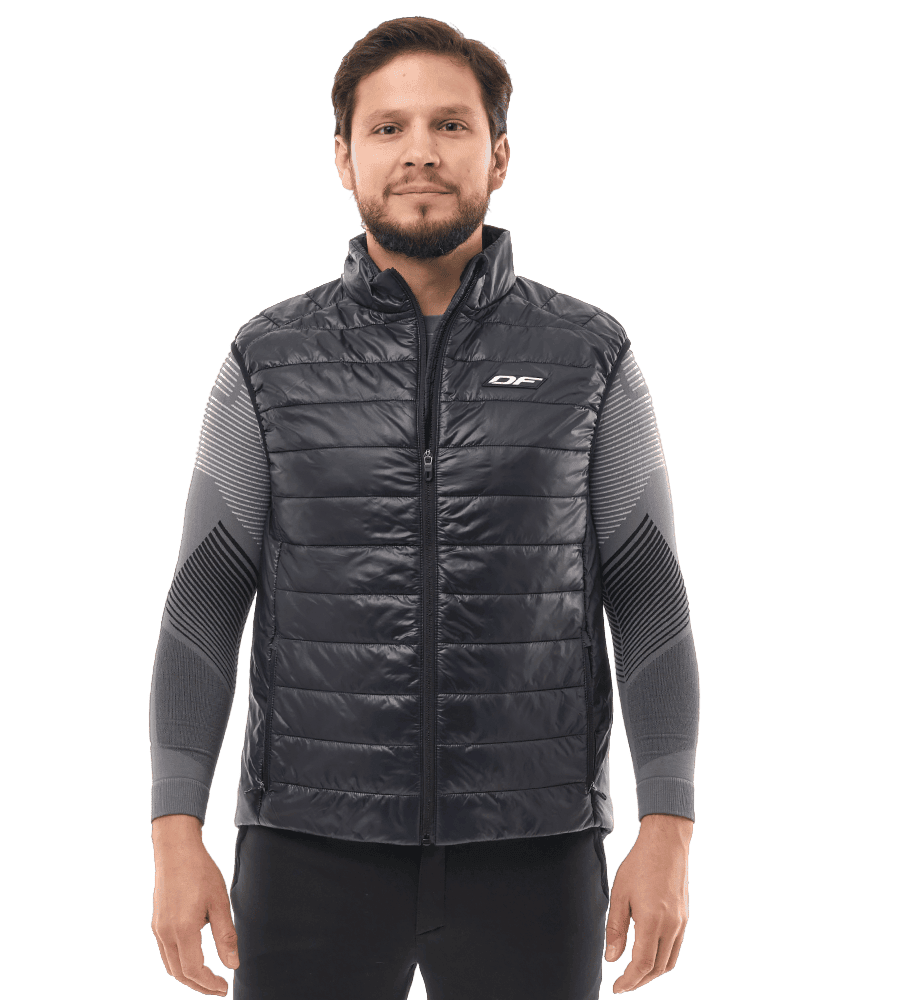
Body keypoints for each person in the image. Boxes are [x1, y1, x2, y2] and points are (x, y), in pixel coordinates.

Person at [149, 16, 700, 1000]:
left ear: (498, 154)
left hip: (534, 854)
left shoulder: (591, 356)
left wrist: (668, 828)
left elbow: (652, 604)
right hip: (307, 848)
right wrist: (173, 834)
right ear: (343, 158)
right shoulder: (266, 360)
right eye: (387, 128)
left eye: (450, 125)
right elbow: (201, 608)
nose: (419, 153)